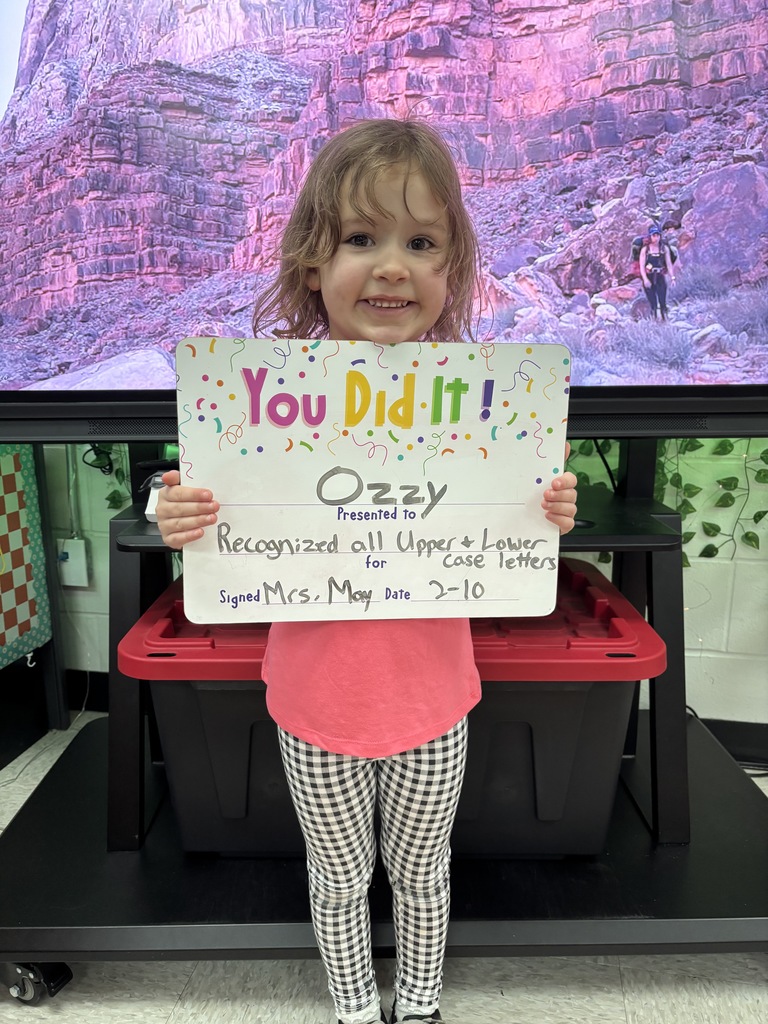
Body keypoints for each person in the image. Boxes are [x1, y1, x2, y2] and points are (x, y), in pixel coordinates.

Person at [156, 119, 578, 1024]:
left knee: (425, 873)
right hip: (314, 710)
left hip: (434, 706)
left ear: (452, 268)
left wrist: (545, 509)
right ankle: (355, 1007)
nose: (393, 267)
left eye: (422, 243)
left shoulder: (490, 404)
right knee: (339, 875)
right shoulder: (255, 399)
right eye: (361, 239)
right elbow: (206, 499)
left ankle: (418, 1004)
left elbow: (512, 515)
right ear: (313, 261)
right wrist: (173, 512)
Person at [639, 224, 676, 320]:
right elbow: (642, 266)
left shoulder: (664, 249)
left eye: (657, 235)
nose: (656, 238)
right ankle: (655, 320)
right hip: (649, 276)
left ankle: (665, 319)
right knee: (653, 302)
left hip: (660, 276)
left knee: (662, 299)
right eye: (653, 235)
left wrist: (672, 277)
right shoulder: (645, 250)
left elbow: (668, 264)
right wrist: (645, 279)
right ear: (650, 236)